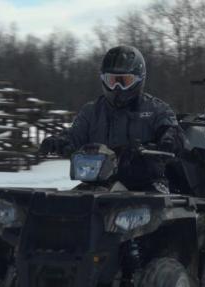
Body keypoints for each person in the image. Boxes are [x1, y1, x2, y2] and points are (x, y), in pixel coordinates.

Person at [40, 45, 185, 191]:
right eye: (112, 80)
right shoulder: (91, 111)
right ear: (103, 79)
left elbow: (172, 130)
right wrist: (61, 140)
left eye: (124, 81)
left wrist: (169, 140)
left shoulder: (156, 109)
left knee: (153, 208)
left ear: (139, 79)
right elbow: (75, 134)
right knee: (70, 207)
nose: (117, 87)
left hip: (146, 184)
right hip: (99, 183)